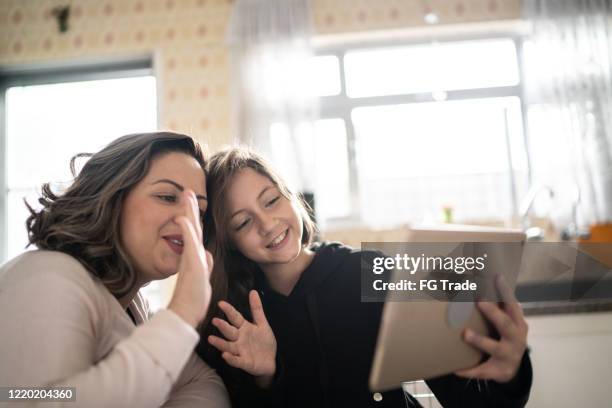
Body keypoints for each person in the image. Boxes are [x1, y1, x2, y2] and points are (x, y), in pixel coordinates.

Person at [197, 147, 533, 408]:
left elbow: (469, 400)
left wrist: (508, 370)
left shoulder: (372, 274)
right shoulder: (234, 320)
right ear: (229, 242)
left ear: (291, 197)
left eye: (271, 201)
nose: (267, 224)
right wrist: (266, 377)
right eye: (243, 222)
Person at [0, 132, 230, 407]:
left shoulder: (135, 307)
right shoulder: (46, 277)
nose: (188, 220)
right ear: (112, 198)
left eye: (199, 212)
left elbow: (204, 382)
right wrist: (183, 312)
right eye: (167, 197)